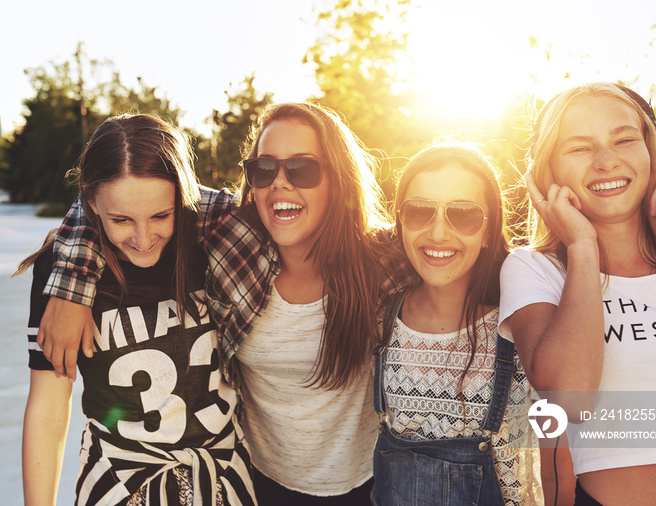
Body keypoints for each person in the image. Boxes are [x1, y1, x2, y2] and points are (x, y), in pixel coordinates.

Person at [36, 103, 410, 505]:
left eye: (302, 168)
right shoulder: (235, 238)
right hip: (257, 482)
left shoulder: (381, 262)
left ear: (338, 177)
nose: (280, 183)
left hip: (368, 485)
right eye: (264, 169)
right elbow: (120, 192)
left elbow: (445, 246)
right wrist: (70, 287)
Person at [18, 114, 256, 505]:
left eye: (161, 216)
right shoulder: (63, 271)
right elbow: (48, 405)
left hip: (223, 473)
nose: (144, 238)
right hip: (118, 479)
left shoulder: (212, 243)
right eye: (121, 219)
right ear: (91, 202)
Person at [498, 82, 656, 505]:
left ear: (655, 153)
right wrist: (582, 248)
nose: (607, 162)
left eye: (624, 140)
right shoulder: (535, 270)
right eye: (579, 148)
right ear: (547, 172)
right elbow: (571, 400)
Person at [371, 142, 543, 506]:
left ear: (487, 231)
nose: (437, 233)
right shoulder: (383, 320)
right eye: (419, 212)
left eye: (463, 215)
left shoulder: (519, 325)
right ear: (399, 220)